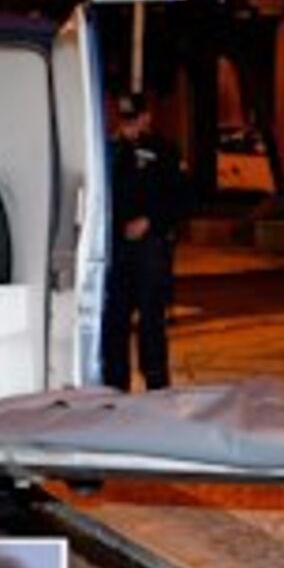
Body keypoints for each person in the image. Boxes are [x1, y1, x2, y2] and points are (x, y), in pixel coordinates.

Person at [102, 93, 185, 392]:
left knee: (151, 320)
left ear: (146, 117)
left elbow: (179, 199)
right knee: (115, 320)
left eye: (134, 119)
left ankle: (156, 383)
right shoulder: (110, 151)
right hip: (118, 247)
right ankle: (115, 385)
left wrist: (150, 221)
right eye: (125, 120)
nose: (130, 126)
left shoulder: (163, 151)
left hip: (151, 247)